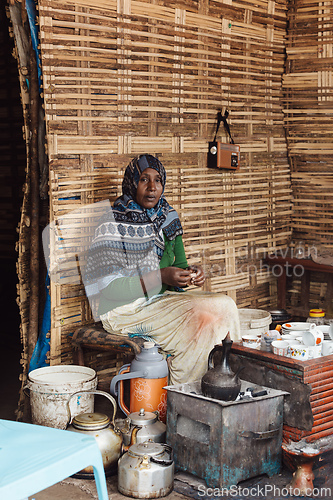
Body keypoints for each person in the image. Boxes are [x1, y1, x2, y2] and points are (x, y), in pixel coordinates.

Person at [84, 154, 240, 385]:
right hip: (123, 310)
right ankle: (184, 394)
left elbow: (180, 268)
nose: (151, 187)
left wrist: (192, 275)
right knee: (201, 321)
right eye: (143, 180)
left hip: (159, 300)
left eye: (158, 180)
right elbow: (109, 290)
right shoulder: (112, 223)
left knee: (226, 306)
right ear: (131, 183)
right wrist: (160, 277)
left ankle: (229, 382)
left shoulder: (168, 217)